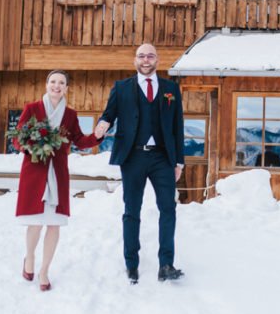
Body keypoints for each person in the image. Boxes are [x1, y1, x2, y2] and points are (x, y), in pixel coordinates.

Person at [95, 43, 185, 284]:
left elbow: (178, 127)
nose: (146, 60)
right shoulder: (121, 87)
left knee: (168, 209)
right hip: (132, 156)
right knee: (131, 211)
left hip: (162, 158)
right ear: (135, 59)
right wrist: (103, 123)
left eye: (151, 56)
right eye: (142, 56)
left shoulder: (171, 89)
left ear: (157, 59)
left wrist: (179, 162)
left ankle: (166, 264)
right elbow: (109, 113)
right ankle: (131, 263)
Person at [14, 70, 101, 291]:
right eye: (53, 81)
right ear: (46, 84)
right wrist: (31, 146)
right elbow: (17, 138)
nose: (56, 86)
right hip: (35, 171)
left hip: (57, 174)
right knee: (35, 221)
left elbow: (80, 141)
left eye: (61, 83)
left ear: (66, 88)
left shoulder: (70, 115)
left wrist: (97, 135)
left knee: (54, 223)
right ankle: (30, 257)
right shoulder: (32, 109)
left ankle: (44, 270)